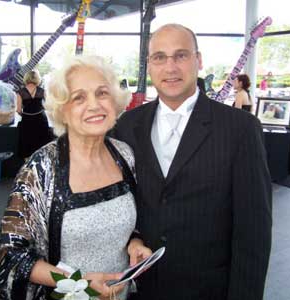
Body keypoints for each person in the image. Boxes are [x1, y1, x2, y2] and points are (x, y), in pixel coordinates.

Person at [113, 23, 272, 300]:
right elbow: (121, 200)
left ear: (198, 61)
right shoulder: (128, 125)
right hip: (142, 287)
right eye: (159, 57)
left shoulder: (240, 128)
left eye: (181, 55)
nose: (170, 67)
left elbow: (254, 231)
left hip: (209, 289)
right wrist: (133, 239)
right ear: (149, 65)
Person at [0, 55, 152, 300]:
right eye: (79, 97)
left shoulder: (125, 155)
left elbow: (131, 221)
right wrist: (76, 282)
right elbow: (10, 255)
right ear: (63, 110)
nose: (94, 105)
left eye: (102, 93)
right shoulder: (42, 168)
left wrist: (134, 242)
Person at [16, 69, 52, 159]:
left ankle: (28, 168)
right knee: (41, 145)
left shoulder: (20, 92)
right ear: (37, 79)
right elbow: (49, 106)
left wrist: (25, 115)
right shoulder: (42, 91)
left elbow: (18, 110)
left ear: (26, 78)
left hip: (27, 121)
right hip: (41, 120)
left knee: (27, 146)